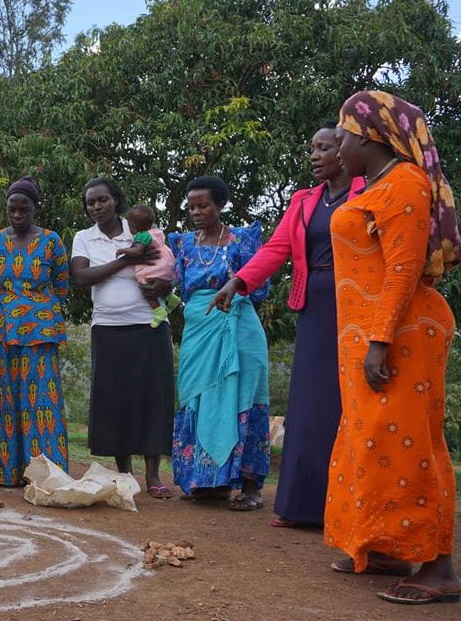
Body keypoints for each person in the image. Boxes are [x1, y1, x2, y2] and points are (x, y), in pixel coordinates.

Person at [325, 91, 460, 605]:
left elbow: (403, 270)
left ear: (371, 137)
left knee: (412, 443)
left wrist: (379, 341)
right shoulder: (374, 185)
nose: (336, 147)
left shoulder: (405, 182)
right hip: (366, 333)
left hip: (401, 333)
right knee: (373, 441)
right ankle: (386, 545)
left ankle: (440, 567)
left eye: (342, 137)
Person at [210, 123, 366, 528]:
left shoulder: (371, 190)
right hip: (314, 302)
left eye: (324, 147)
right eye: (311, 148)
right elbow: (277, 248)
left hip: (359, 301)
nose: (314, 156)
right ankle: (301, 505)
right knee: (311, 402)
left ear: (346, 150)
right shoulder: (303, 200)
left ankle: (347, 507)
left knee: (348, 399)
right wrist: (238, 281)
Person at [169, 176, 271, 510]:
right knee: (198, 397)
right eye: (192, 206)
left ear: (220, 205)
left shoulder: (242, 239)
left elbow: (258, 286)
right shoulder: (182, 243)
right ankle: (207, 481)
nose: (196, 212)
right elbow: (183, 288)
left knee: (243, 397)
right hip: (199, 328)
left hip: (238, 326)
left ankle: (250, 486)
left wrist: (233, 300)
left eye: (203, 205)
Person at [70, 178, 177, 498]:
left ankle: (154, 475)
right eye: (90, 202)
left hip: (150, 326)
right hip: (107, 328)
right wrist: (127, 260)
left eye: (103, 200)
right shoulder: (83, 237)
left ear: (116, 200)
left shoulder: (141, 230)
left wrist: (165, 287)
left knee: (152, 400)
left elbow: (166, 267)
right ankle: (125, 474)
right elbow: (81, 277)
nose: (96, 206)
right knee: (116, 402)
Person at [0, 176, 70, 486]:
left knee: (40, 399)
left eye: (24, 210)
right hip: (1, 328)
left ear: (35, 208)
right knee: (3, 398)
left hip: (40, 330)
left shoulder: (51, 240)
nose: (17, 216)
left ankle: (45, 476)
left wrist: (35, 309)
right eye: (12, 210)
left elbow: (61, 285)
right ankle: (3, 471)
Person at [115, 204, 181, 328]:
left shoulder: (142, 236)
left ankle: (158, 311)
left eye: (129, 226)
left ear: (135, 227)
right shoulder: (156, 232)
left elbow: (138, 251)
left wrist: (123, 251)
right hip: (166, 265)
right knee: (156, 283)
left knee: (145, 286)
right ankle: (172, 299)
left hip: (157, 266)